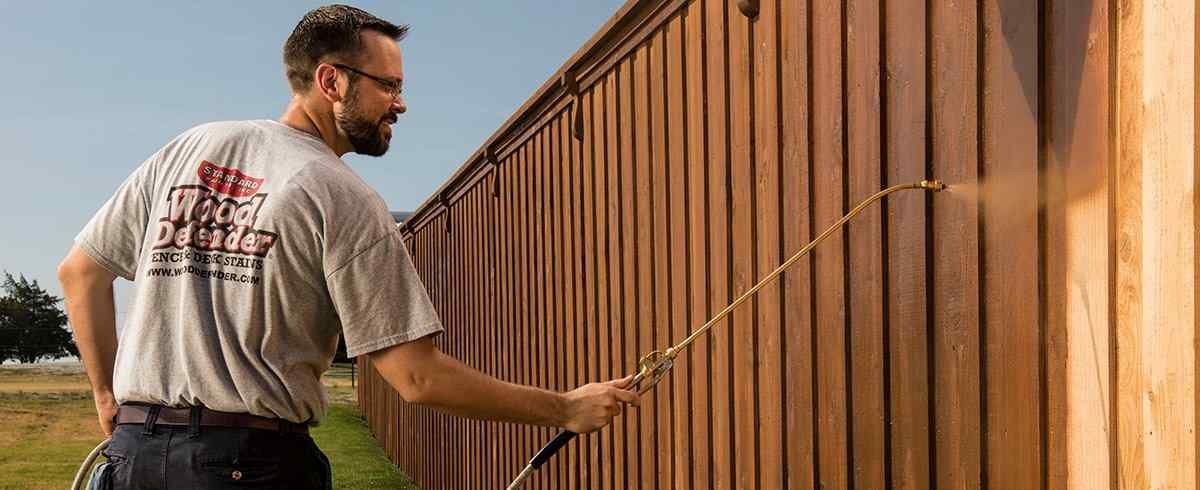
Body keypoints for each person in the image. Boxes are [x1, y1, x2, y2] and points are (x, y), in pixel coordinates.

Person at [57, 5, 638, 488]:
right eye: (389, 85)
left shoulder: (191, 148)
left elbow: (80, 272)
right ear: (331, 81)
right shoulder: (343, 196)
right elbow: (418, 379)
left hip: (134, 456)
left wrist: (108, 396)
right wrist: (564, 408)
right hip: (248, 467)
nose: (400, 104)